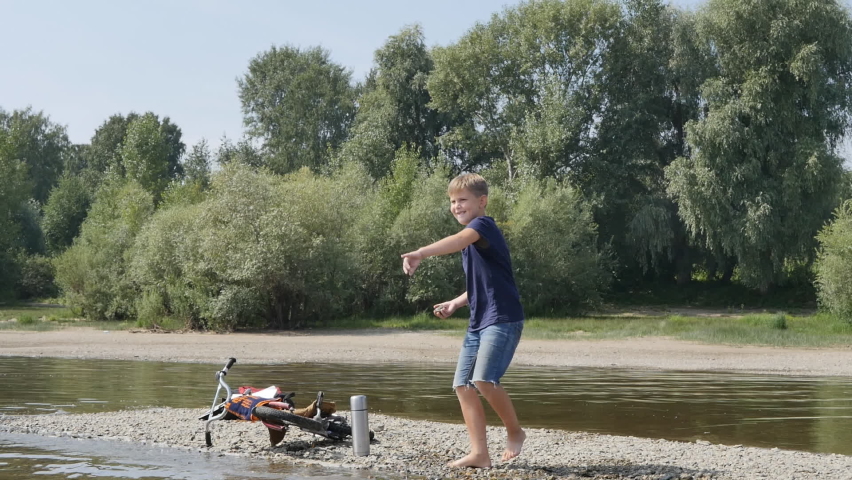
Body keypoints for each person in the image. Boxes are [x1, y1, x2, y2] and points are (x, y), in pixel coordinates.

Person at [401, 172, 525, 468]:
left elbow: (457, 241)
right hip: (479, 322)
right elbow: (482, 284)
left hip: (502, 319)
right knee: (462, 385)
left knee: (483, 379)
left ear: (482, 202)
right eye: (453, 201)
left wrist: (420, 252)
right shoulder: (473, 243)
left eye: (463, 200)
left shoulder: (482, 226)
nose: (456, 206)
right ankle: (480, 454)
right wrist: (455, 303)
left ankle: (515, 431)